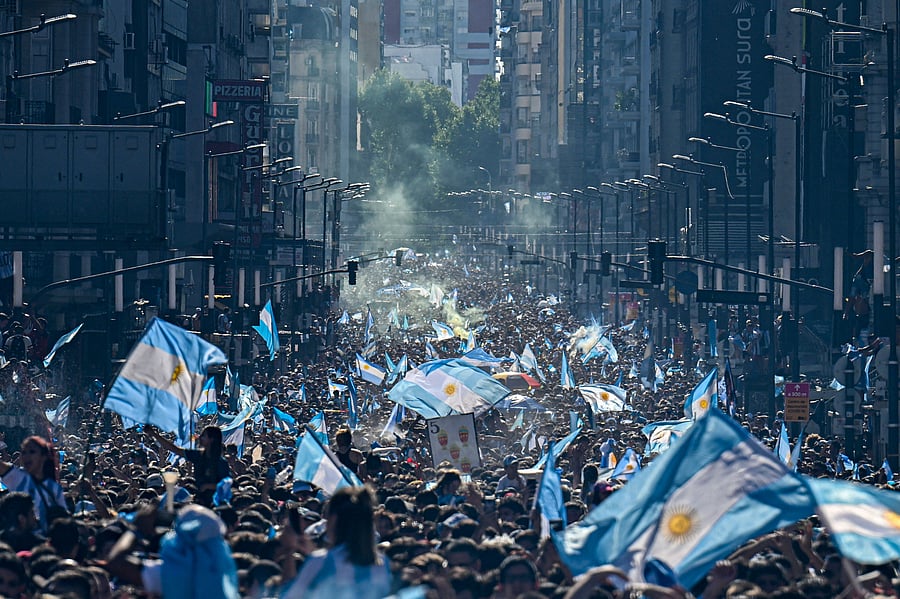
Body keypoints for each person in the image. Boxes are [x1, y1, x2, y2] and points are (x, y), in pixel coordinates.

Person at [281, 486, 391, 599]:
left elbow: (289, 596)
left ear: (333, 519)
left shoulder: (320, 562)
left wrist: (289, 551)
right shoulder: (383, 564)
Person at [148, 425, 230, 506]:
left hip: (216, 503)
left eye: (204, 435)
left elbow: (227, 485)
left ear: (212, 439)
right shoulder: (198, 456)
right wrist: (154, 434)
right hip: (199, 501)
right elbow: (174, 449)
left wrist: (209, 486)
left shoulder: (221, 463)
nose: (200, 437)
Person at [0, 436, 67, 531]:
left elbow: (64, 520)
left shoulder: (53, 488)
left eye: (32, 452)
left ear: (43, 457)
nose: (26, 456)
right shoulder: (18, 477)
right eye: (24, 452)